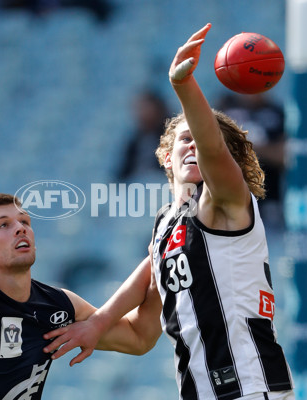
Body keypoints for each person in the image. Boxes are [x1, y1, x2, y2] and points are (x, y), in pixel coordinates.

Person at [44, 23, 294, 399]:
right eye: (184, 138)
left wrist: (184, 86)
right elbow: (142, 319)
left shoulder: (226, 203)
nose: (196, 145)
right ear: (164, 155)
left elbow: (213, 152)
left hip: (251, 387)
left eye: (204, 138)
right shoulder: (166, 225)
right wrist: (94, 322)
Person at [0, 102, 162, 399]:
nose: (21, 228)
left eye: (24, 221)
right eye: (3, 225)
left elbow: (140, 338)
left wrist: (161, 261)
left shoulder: (58, 306)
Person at [215, 92, 286, 229]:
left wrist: (243, 146)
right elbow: (214, 148)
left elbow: (284, 155)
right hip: (229, 197)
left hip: (269, 198)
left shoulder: (276, 112)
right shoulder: (224, 107)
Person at [115, 89, 171, 181]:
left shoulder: (171, 136)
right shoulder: (135, 140)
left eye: (146, 108)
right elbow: (123, 171)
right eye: (139, 109)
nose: (142, 113)